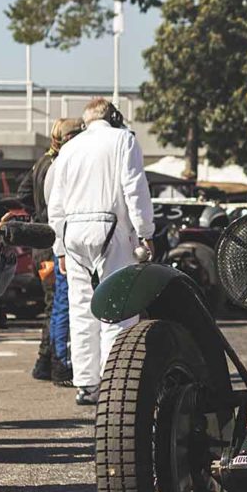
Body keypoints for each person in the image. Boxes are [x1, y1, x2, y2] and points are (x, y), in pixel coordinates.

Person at [46, 98, 154, 406]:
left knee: (81, 310)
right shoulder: (123, 140)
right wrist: (145, 232)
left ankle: (86, 383)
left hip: (74, 233)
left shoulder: (69, 148)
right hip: (111, 227)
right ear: (114, 117)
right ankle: (115, 380)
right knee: (118, 307)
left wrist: (60, 247)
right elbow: (134, 187)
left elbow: (57, 203)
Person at [19, 117, 81, 383]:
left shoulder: (42, 162)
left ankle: (45, 361)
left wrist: (36, 213)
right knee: (58, 303)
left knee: (53, 303)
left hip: (42, 240)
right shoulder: (57, 163)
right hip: (51, 241)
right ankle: (54, 362)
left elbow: (22, 194)